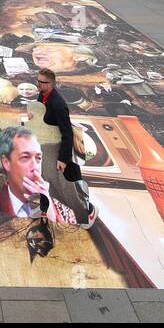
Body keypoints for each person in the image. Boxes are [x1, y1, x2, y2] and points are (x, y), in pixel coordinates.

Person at [33, 69, 96, 228]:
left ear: (52, 84)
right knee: (45, 179)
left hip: (58, 149)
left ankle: (85, 215)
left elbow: (67, 134)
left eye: (43, 83)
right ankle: (45, 209)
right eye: (38, 81)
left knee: (66, 187)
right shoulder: (42, 95)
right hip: (46, 145)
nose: (39, 85)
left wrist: (63, 159)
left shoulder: (58, 104)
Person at [0, 125, 78, 224]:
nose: (35, 166)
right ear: (6, 163)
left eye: (38, 158)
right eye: (25, 157)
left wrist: (49, 210)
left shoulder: (64, 212)